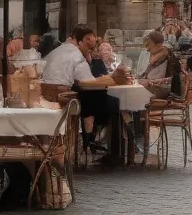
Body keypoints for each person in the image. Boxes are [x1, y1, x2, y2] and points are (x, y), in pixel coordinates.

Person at [41, 24, 129, 155]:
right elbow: (88, 83)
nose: (91, 51)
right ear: (86, 40)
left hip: (44, 96)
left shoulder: (58, 50)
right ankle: (117, 151)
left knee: (92, 101)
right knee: (115, 104)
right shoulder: (76, 56)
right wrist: (113, 79)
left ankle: (91, 141)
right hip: (63, 98)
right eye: (90, 47)